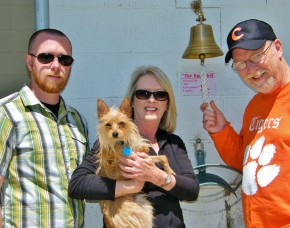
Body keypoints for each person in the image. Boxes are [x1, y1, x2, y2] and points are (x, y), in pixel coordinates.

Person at [68, 65, 199, 227]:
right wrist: (129, 186)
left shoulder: (174, 143)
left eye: (160, 95)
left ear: (166, 105)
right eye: (143, 93)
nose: (151, 99)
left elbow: (192, 191)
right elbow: (77, 185)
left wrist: (156, 176)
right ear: (131, 104)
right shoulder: (113, 142)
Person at [200, 19, 290, 227]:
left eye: (256, 56)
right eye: (240, 63)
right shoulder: (254, 106)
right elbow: (247, 163)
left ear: (278, 48)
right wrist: (221, 131)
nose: (251, 69)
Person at [0, 29, 89, 227]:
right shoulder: (6, 114)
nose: (56, 65)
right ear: (30, 62)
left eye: (64, 59)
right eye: (46, 57)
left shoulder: (78, 122)